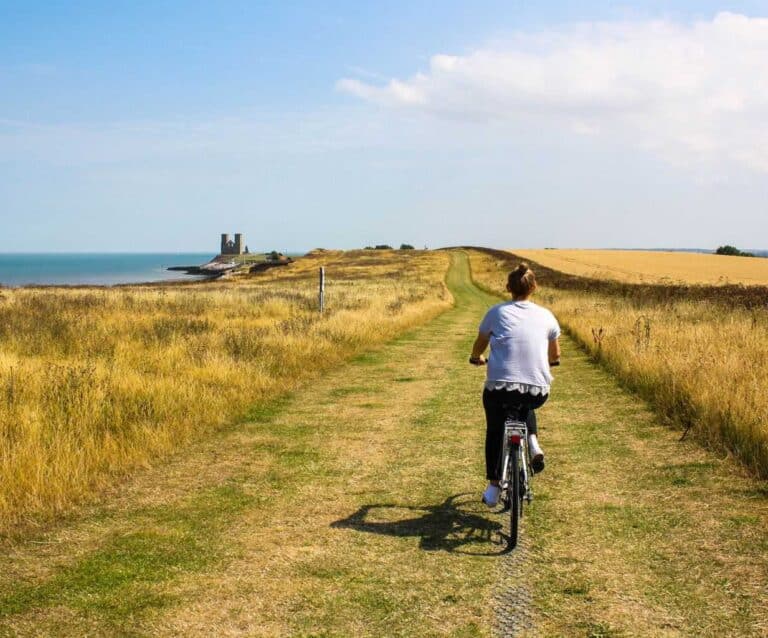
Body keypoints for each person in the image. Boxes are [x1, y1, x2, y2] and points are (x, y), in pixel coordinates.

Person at [469, 263, 561, 507]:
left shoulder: (496, 313)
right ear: (534, 287)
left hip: (499, 387)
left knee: (495, 428)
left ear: (508, 287)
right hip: (536, 390)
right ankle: (532, 441)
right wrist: (550, 362)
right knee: (525, 398)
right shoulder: (547, 316)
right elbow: (555, 355)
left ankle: (493, 487)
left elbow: (479, 344)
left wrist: (476, 357)